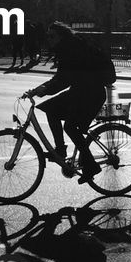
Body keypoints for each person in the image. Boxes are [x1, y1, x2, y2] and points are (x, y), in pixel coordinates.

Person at [22, 22, 114, 182]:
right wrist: (39, 89)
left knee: (70, 126)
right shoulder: (67, 47)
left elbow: (63, 80)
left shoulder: (72, 50)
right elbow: (62, 78)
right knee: (52, 110)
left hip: (91, 94)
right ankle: (61, 151)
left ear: (61, 36)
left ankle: (89, 165)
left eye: (52, 36)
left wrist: (43, 90)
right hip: (83, 92)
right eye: (48, 36)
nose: (49, 40)